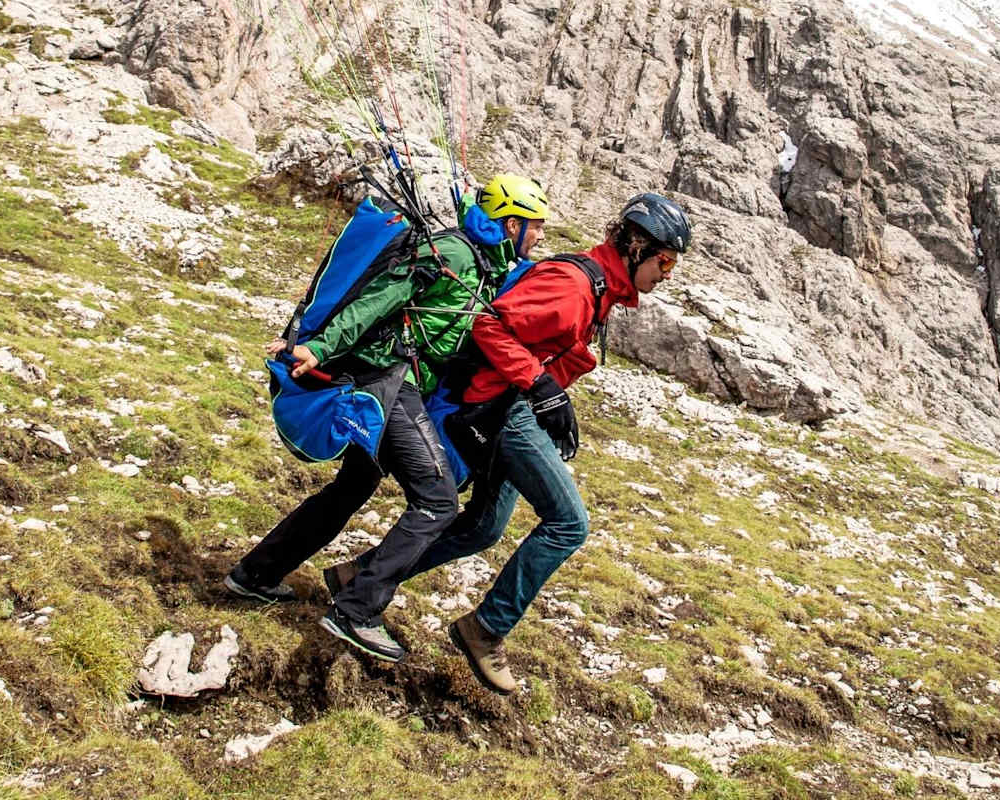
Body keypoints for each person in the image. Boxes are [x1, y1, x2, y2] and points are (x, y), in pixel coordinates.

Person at [329, 192, 692, 690]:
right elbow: (489, 325)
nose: (667, 273)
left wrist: (551, 403)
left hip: (516, 407)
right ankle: (486, 629)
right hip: (503, 407)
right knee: (568, 523)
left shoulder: (602, 290)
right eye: (665, 260)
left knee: (482, 528)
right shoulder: (573, 285)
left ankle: (361, 575)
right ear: (635, 245)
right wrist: (540, 390)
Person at [224, 175, 550, 663]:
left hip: (398, 383)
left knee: (351, 488)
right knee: (437, 502)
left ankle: (254, 574)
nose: (541, 236)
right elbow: (384, 296)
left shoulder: (482, 261)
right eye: (536, 225)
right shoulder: (455, 253)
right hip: (391, 383)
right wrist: (319, 345)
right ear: (510, 222)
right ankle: (357, 610)